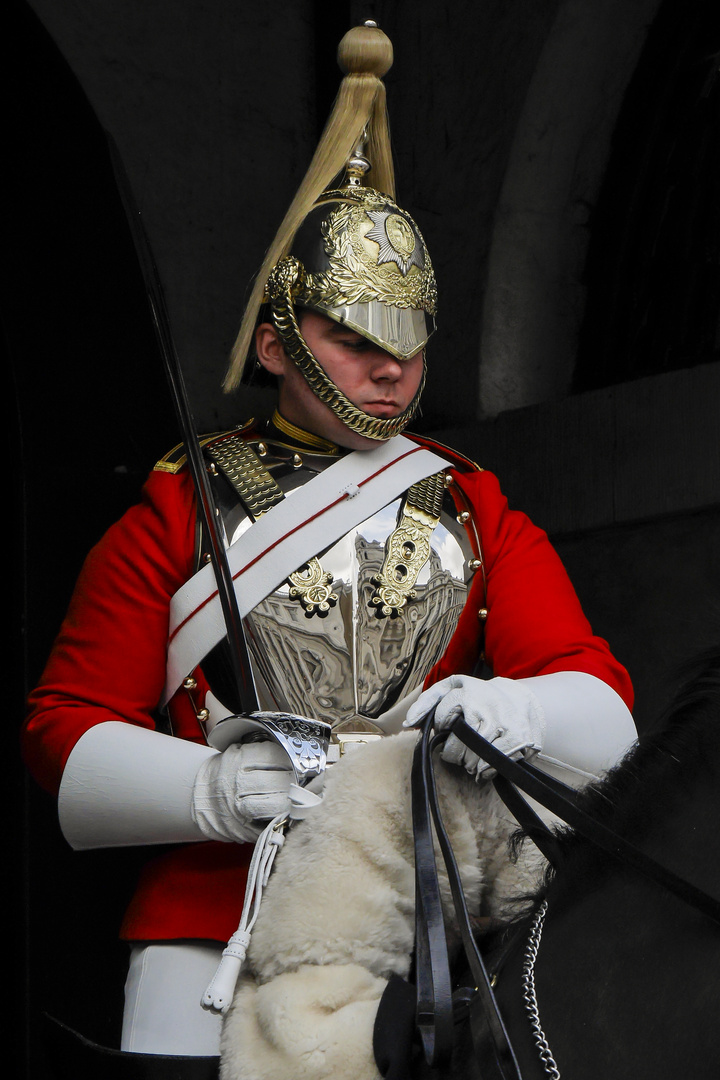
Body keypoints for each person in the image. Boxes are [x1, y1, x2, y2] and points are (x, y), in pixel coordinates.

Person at [22, 21, 635, 1067]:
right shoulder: (182, 509)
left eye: (407, 345)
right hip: (218, 914)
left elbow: (605, 713)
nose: (389, 371)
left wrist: (515, 705)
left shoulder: (471, 506)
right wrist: (207, 791)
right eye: (353, 339)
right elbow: (66, 728)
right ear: (275, 342)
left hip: (415, 915)